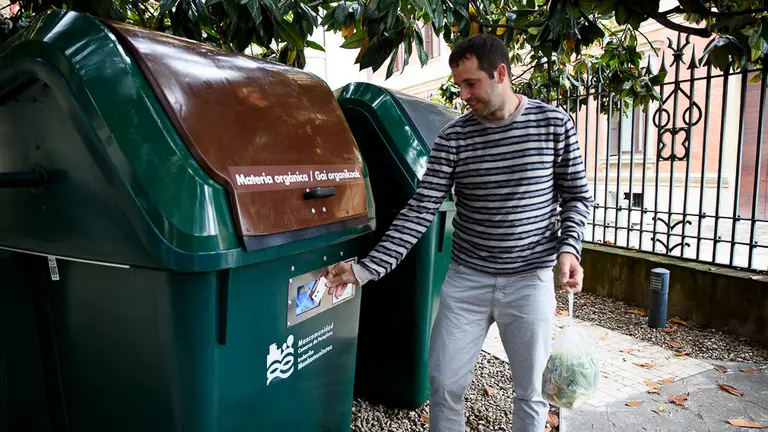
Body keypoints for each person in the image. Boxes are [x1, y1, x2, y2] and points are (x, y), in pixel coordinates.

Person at [326, 33, 593, 432]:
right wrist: (366, 269)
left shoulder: (553, 125)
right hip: (467, 281)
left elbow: (577, 197)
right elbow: (420, 209)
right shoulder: (454, 137)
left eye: (472, 84)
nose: (464, 95)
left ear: (500, 73)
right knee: (445, 383)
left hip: (530, 281)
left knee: (531, 392)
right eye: (459, 85)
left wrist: (569, 250)